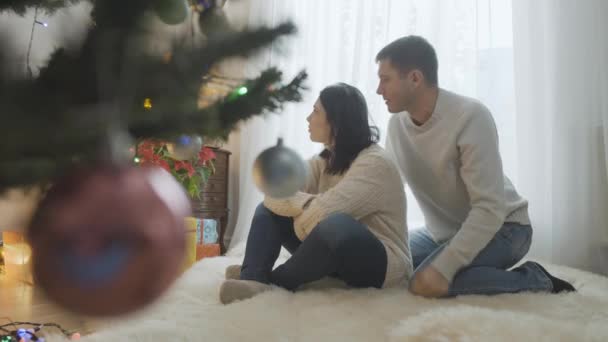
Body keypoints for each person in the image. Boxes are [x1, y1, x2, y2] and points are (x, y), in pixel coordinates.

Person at [375, 35, 575, 298]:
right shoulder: (398, 124)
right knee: (393, 266)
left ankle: (536, 278)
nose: (379, 90)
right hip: (444, 232)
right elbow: (388, 186)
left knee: (424, 283)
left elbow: (490, 210)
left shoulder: (470, 116)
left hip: (505, 228)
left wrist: (443, 268)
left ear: (414, 78)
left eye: (385, 79)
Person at [219, 83, 412, 304]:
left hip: (384, 267)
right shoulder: (327, 159)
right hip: (338, 255)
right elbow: (274, 191)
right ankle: (252, 278)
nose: (308, 118)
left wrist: (302, 206)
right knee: (267, 210)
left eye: (316, 111)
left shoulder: (375, 164)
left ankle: (273, 282)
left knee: (335, 224)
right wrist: (308, 205)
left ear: (336, 121)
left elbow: (320, 217)